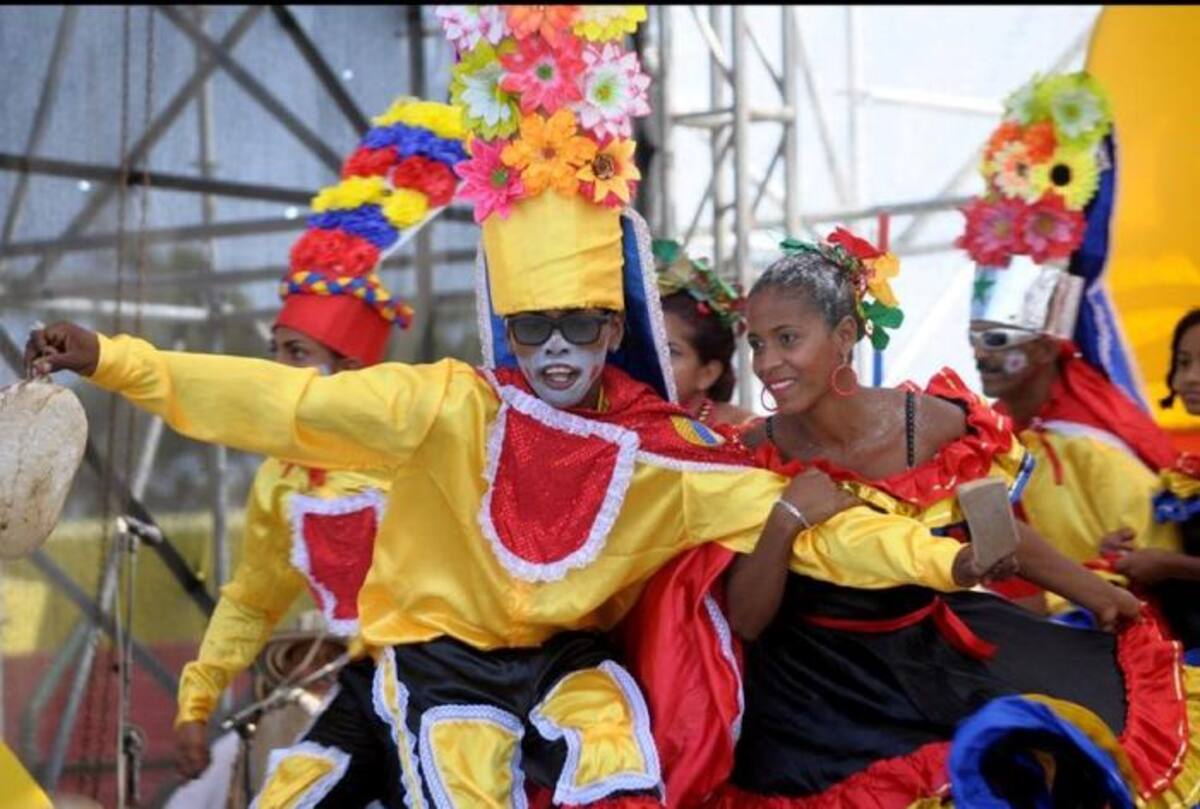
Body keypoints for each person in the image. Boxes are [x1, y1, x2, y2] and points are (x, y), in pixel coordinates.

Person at [24, 12, 839, 805]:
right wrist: (118, 361)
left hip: (546, 677)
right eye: (531, 327)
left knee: (601, 762)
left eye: (579, 324)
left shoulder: (651, 444)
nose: (555, 348)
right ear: (506, 329)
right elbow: (260, 544)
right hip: (398, 673)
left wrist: (928, 547)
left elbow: (796, 519)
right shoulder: (403, 425)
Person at [716, 230, 1200, 808]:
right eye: (757, 343)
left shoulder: (930, 423)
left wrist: (1095, 593)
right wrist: (788, 516)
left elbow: (997, 529)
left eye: (787, 339)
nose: (767, 363)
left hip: (934, 658)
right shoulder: (747, 453)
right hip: (815, 698)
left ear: (845, 336)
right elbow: (745, 619)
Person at [170, 96, 465, 786]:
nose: (280, 371)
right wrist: (198, 697)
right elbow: (252, 595)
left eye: (297, 352)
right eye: (276, 351)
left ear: (351, 370)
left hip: (453, 681)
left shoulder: (412, 442)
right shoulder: (285, 478)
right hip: (364, 688)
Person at [654, 239, 754, 427]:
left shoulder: (746, 432)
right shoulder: (611, 427)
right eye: (643, 345)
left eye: (670, 352)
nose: (649, 360)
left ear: (707, 374)